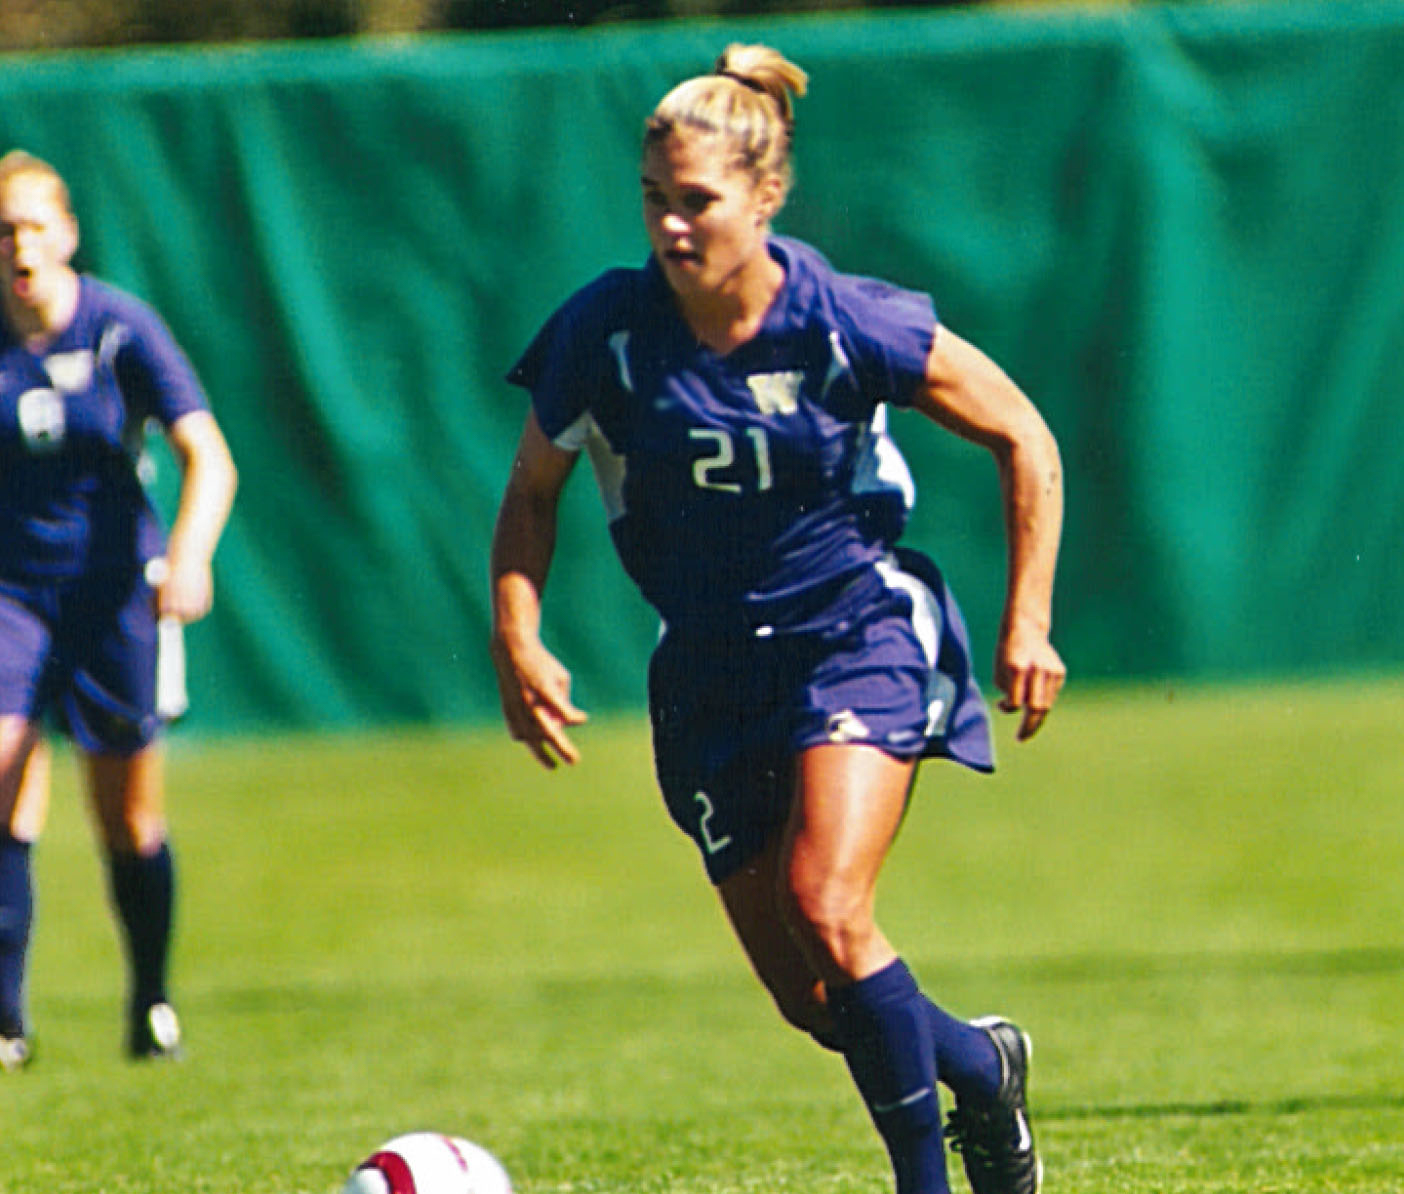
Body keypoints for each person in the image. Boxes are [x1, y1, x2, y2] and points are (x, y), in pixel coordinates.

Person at [489, 45, 1064, 1194]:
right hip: (705, 671)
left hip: (857, 628)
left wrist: (1027, 619)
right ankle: (983, 1068)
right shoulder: (606, 334)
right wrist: (517, 634)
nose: (670, 227)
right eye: (653, 200)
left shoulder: (843, 319)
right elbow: (532, 496)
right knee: (817, 999)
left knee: (828, 902)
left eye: (695, 201)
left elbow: (1022, 434)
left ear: (765, 194)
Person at [0, 150, 238, 1069]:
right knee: (5, 772)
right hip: (13, 594)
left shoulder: (118, 330)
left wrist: (188, 555)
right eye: (2, 229)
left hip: (112, 599)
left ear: (66, 233)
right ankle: (8, 1019)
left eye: (33, 224)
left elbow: (208, 455)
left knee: (129, 819)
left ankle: (149, 1001)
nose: (18, 244)